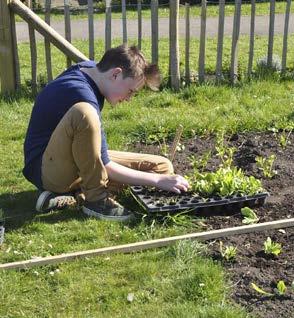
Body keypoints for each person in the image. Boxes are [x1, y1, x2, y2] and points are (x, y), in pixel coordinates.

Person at [23, 44, 189, 222]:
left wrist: (159, 179)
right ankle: (97, 201)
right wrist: (157, 182)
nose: (128, 99)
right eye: (130, 91)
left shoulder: (92, 70)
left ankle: (73, 197)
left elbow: (100, 160)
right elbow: (105, 164)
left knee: (161, 167)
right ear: (115, 74)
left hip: (69, 158)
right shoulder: (81, 93)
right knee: (84, 113)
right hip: (47, 170)